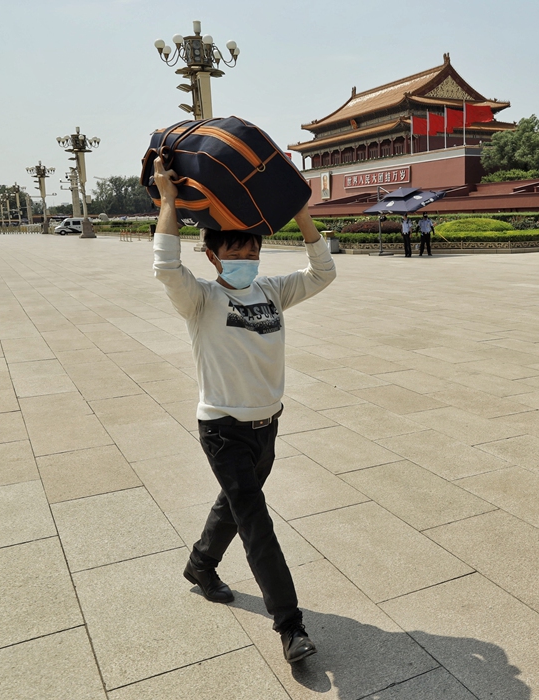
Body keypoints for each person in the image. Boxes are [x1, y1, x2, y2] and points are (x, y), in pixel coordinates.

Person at [151, 156, 335, 664]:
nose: (246, 257)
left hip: (267, 424)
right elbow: (165, 266)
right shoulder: (201, 300)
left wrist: (300, 211)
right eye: (235, 250)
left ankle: (200, 564)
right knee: (256, 521)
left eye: (252, 249)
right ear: (213, 256)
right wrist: (168, 200)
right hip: (223, 428)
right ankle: (290, 625)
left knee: (234, 504)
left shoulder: (273, 290)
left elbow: (323, 271)